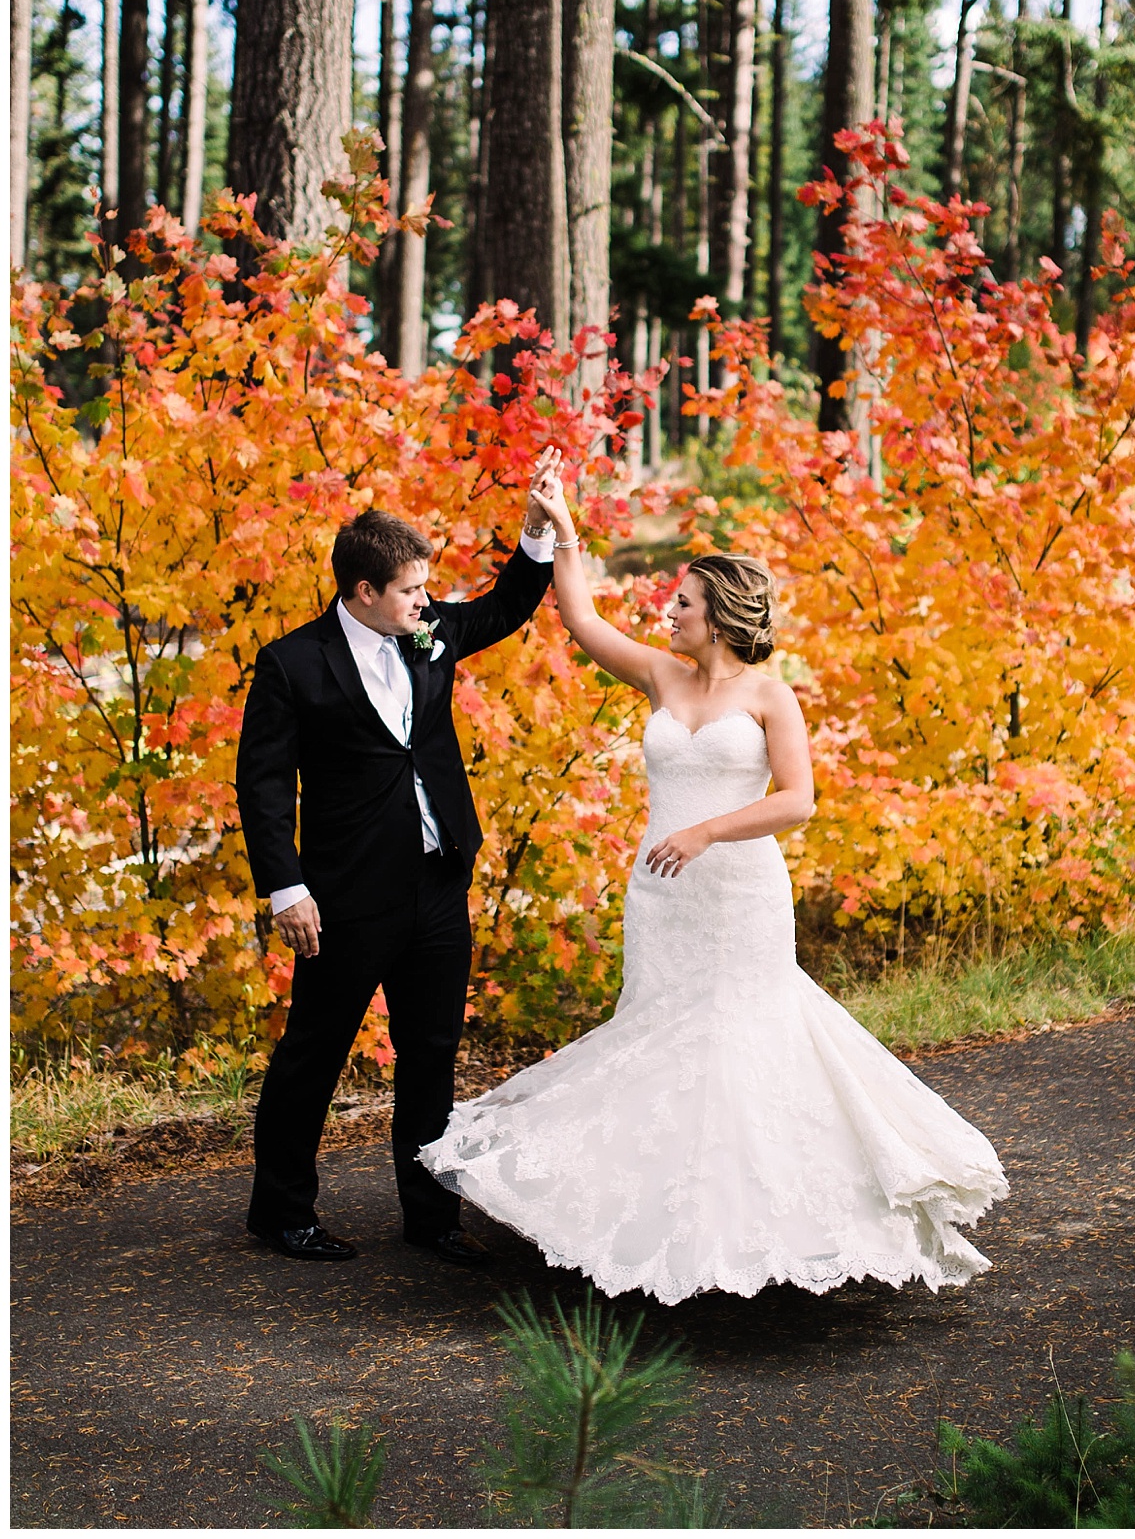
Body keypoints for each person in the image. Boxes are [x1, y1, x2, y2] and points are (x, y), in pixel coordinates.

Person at [421, 452, 1009, 1304]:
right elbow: (581, 618)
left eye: (683, 603)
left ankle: (766, 1225)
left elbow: (799, 801)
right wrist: (561, 528)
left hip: (739, 897)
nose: (669, 611)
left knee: (742, 1042)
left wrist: (707, 830)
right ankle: (658, 1221)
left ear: (721, 615)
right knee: (657, 1038)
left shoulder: (771, 697)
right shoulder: (660, 675)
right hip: (662, 896)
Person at [236, 452, 560, 1265]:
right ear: (363, 593)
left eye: (427, 588)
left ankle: (431, 1217)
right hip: (343, 895)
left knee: (432, 1053)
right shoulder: (292, 664)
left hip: (437, 879)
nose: (429, 601)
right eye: (413, 590)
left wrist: (536, 529)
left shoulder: (431, 633)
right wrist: (286, 888)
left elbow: (507, 606)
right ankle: (280, 1212)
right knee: (315, 1049)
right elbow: (263, 786)